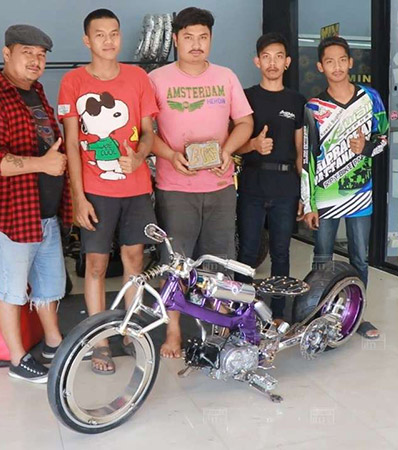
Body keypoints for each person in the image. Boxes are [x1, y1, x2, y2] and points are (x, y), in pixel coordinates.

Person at [0, 24, 71, 383]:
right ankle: (17, 359)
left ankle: (54, 342)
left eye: (41, 55)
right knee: (12, 290)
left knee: (49, 286)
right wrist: (43, 164)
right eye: (27, 53)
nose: (36, 61)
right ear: (7, 53)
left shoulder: (36, 93)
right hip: (8, 217)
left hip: (43, 213)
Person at [58, 8, 158, 374]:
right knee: (96, 265)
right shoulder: (73, 81)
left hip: (136, 189)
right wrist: (78, 197)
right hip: (95, 191)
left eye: (114, 33)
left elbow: (148, 131)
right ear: (87, 40)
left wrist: (140, 156)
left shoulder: (138, 77)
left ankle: (130, 332)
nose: (108, 40)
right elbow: (72, 144)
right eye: (100, 34)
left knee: (134, 261)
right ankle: (99, 341)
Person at [149, 7, 254, 358]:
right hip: (175, 189)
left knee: (221, 264)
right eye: (188, 37)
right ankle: (173, 332)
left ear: (211, 39)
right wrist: (170, 155)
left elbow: (245, 123)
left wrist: (228, 150)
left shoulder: (226, 77)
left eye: (203, 37)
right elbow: (145, 131)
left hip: (221, 187)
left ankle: (219, 331)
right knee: (176, 262)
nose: (196, 44)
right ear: (175, 39)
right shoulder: (156, 79)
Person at [302, 35, 389, 339]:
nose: (337, 67)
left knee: (360, 258)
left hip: (360, 193)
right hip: (325, 196)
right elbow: (307, 159)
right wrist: (309, 203)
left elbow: (384, 138)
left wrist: (367, 147)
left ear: (350, 62)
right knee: (322, 257)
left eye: (342, 60)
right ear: (320, 67)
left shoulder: (371, 98)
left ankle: (356, 314)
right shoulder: (313, 107)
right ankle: (318, 314)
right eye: (330, 61)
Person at [235, 32, 305, 325]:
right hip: (252, 184)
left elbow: (300, 152)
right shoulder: (245, 97)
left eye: (278, 57)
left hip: (285, 187)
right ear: (257, 61)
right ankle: (241, 313)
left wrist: (305, 195)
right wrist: (253, 145)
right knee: (247, 252)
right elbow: (232, 145)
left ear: (287, 62)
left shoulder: (297, 101)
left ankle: (278, 314)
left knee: (281, 253)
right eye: (266, 57)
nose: (272, 63)